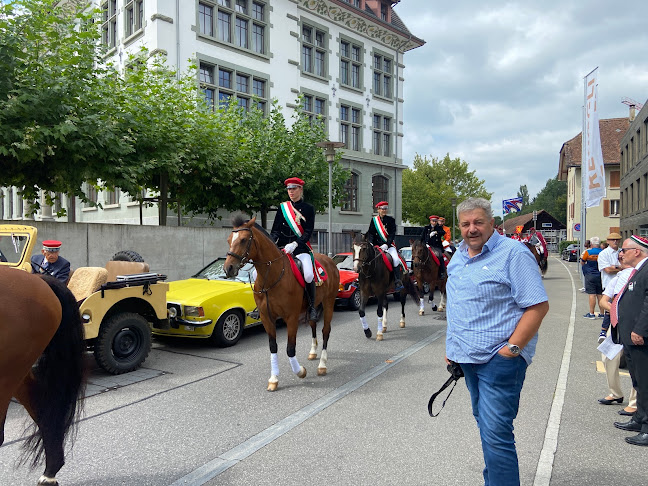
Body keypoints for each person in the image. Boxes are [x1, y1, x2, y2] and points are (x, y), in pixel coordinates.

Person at [446, 197, 549, 485]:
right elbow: (457, 304)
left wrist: (512, 350)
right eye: (465, 224)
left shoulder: (513, 254)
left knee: (496, 433)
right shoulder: (458, 256)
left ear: (492, 223)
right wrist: (451, 348)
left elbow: (538, 306)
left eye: (478, 222)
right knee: (487, 428)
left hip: (498, 361)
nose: (472, 229)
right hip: (466, 358)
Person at [612, 235, 648, 446]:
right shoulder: (638, 270)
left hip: (640, 337)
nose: (621, 253)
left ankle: (646, 427)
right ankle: (639, 418)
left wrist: (640, 330)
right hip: (631, 336)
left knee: (645, 383)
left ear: (637, 251)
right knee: (638, 381)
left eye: (624, 250)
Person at [270, 177, 318, 321]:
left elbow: (308, 231)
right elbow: (275, 231)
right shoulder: (282, 208)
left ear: (300, 189)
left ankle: (311, 306)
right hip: (282, 248)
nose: (291, 192)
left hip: (300, 249)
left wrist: (296, 244)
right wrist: (271, 243)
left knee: (309, 275)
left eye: (294, 188)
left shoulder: (309, 208)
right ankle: (264, 303)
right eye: (289, 189)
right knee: (259, 273)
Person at [597, 252, 637, 415]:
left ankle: (635, 402)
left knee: (635, 361)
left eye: (623, 255)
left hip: (635, 324)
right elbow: (603, 301)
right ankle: (615, 393)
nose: (621, 258)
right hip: (618, 323)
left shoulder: (638, 275)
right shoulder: (618, 277)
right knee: (607, 357)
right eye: (619, 256)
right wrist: (617, 311)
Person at [365, 201, 404, 291]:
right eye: (382, 209)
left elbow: (392, 234)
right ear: (378, 210)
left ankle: (397, 280)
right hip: (376, 246)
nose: (384, 211)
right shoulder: (374, 220)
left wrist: (387, 244)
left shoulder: (391, 220)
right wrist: (371, 243)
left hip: (388, 246)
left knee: (395, 259)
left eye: (386, 209)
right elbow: (371, 233)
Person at [597, 232, 622, 341]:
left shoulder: (622, 252)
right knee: (610, 308)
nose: (615, 241)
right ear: (608, 241)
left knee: (617, 308)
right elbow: (607, 270)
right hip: (609, 285)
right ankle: (603, 331)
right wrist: (621, 267)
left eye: (617, 240)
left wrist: (615, 267)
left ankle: (609, 332)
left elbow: (629, 266)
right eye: (612, 239)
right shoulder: (604, 254)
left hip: (622, 284)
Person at [581, 236, 603, 319]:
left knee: (592, 294)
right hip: (600, 275)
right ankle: (602, 313)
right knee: (600, 294)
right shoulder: (603, 252)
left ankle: (591, 313)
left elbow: (582, 262)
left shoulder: (588, 252)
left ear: (591, 243)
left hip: (590, 274)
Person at [420, 214, 447, 279]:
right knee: (418, 255)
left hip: (436, 246)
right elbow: (422, 237)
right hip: (427, 245)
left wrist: (436, 232)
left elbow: (443, 232)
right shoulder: (426, 228)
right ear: (430, 221)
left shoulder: (439, 228)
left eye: (435, 221)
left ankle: (442, 271)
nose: (434, 222)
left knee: (440, 256)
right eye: (433, 221)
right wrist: (423, 243)